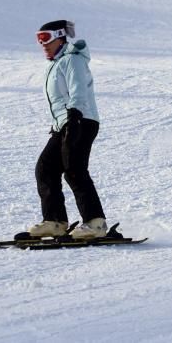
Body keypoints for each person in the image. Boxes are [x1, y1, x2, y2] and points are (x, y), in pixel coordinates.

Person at [28, 20, 108, 240]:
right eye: (38, 39)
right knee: (45, 168)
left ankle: (95, 223)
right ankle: (55, 222)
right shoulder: (55, 63)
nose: (42, 43)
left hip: (80, 121)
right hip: (65, 123)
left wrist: (74, 117)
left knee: (74, 170)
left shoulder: (72, 60)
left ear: (60, 36)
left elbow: (78, 89)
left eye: (46, 38)